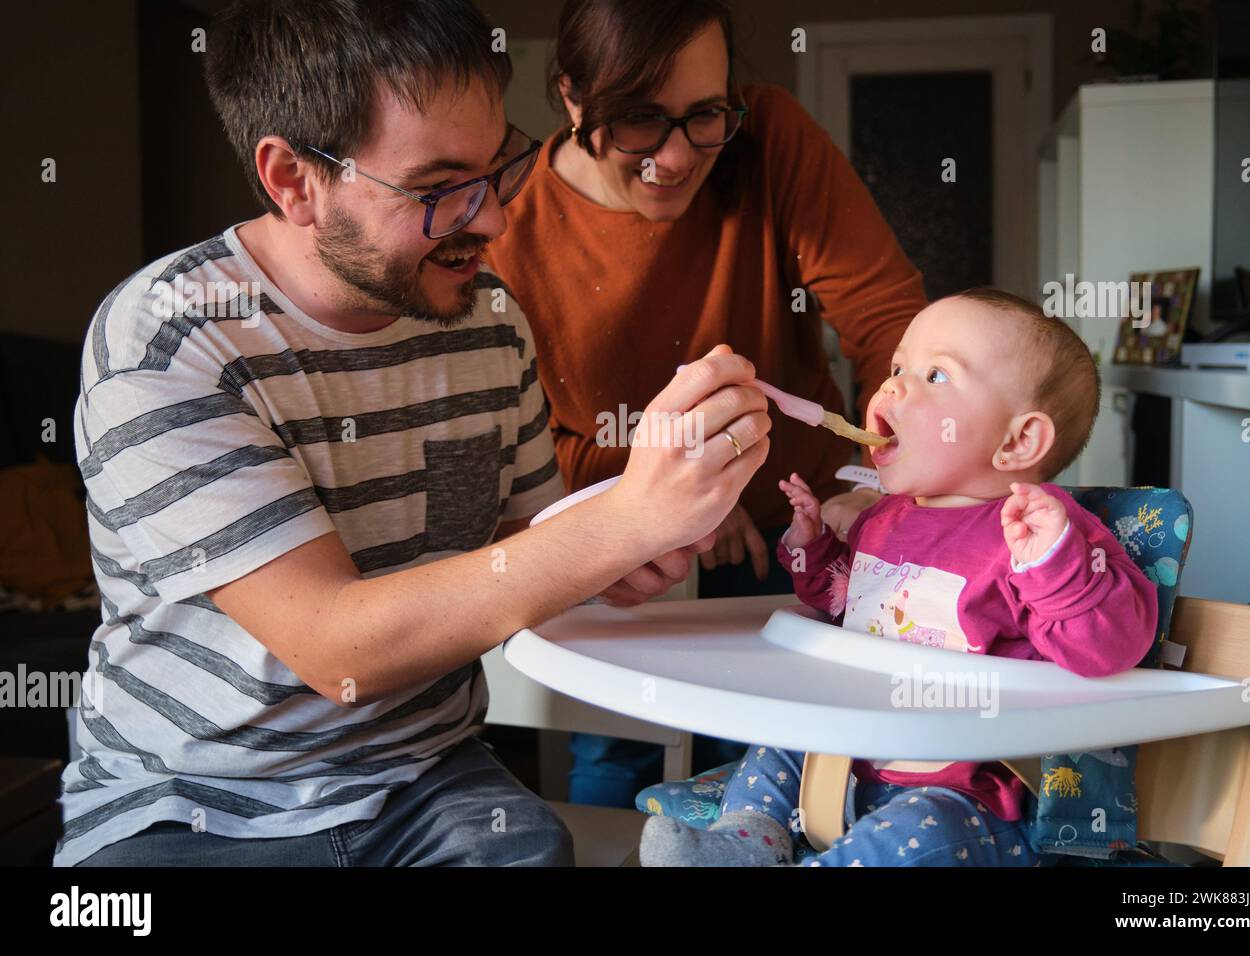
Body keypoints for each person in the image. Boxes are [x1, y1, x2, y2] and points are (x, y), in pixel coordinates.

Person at [56, 0, 771, 867]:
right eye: (436, 190)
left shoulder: (489, 319)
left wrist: (616, 554)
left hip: (425, 781)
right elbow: (336, 645)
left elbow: (521, 547)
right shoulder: (168, 338)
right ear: (293, 180)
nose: (494, 221)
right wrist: (612, 530)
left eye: (499, 168)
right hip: (184, 807)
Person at [485, 0, 929, 806]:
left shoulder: (771, 140)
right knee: (620, 766)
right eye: (638, 123)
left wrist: (881, 478)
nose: (677, 156)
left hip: (801, 541)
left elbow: (887, 323)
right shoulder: (511, 231)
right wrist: (670, 494)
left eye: (705, 116)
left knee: (804, 776)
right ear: (572, 98)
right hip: (619, 553)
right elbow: (526, 443)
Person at [639, 289, 1159, 866]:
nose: (893, 387)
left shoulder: (1041, 531)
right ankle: (744, 840)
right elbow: (850, 608)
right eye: (896, 368)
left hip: (966, 793)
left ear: (1018, 441)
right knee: (777, 743)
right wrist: (816, 551)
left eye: (936, 374)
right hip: (847, 756)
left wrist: (1054, 566)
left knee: (924, 830)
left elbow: (1109, 647)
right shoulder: (884, 518)